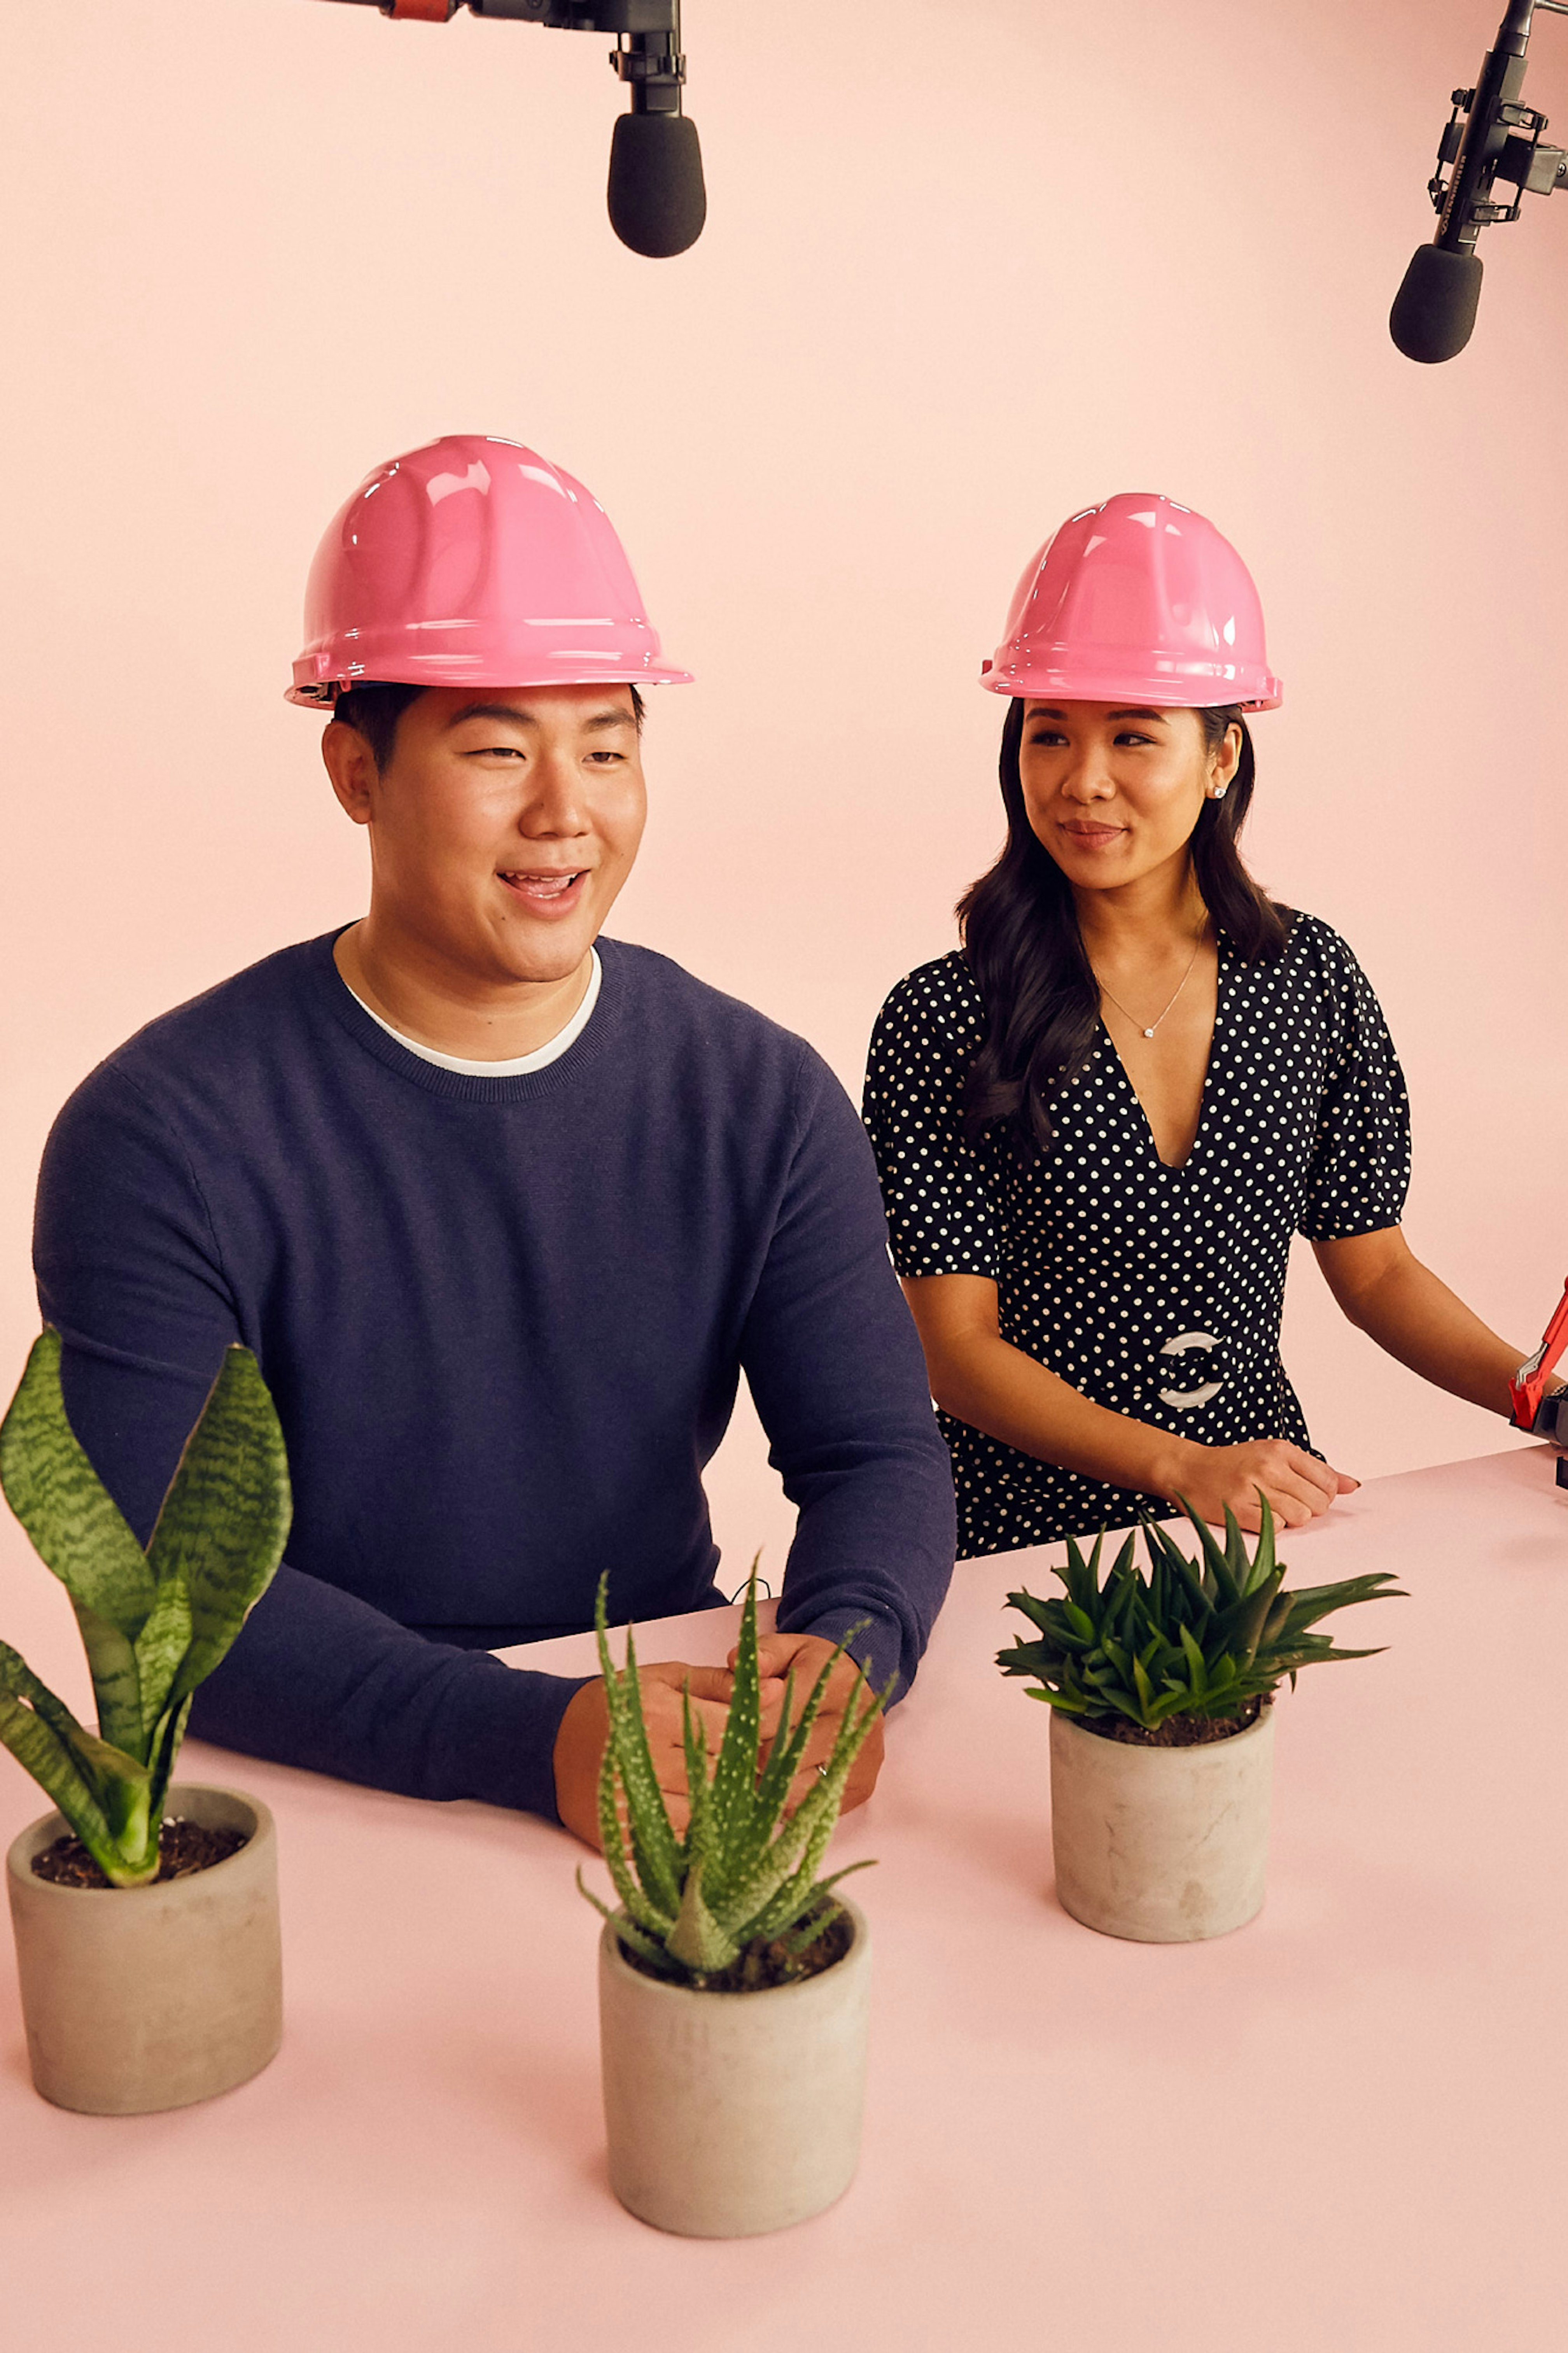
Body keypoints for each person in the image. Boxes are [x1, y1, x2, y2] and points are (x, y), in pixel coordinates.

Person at [34, 433, 956, 1842]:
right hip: (313, 1782)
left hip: (657, 1720)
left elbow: (880, 1455)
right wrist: (532, 1739)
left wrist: (848, 1658)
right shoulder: (158, 1136)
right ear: (356, 769)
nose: (563, 811)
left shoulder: (760, 1096)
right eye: (496, 748)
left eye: (605, 744)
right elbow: (171, 1599)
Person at [864, 491, 1549, 1557]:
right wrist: (1178, 1467)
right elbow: (954, 1349)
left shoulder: (1309, 976)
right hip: (1022, 1553)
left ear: (1221, 758)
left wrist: (1532, 1392)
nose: (1083, 781)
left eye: (1134, 735)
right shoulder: (945, 1016)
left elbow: (1375, 1272)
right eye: (1050, 734)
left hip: (1259, 1528)